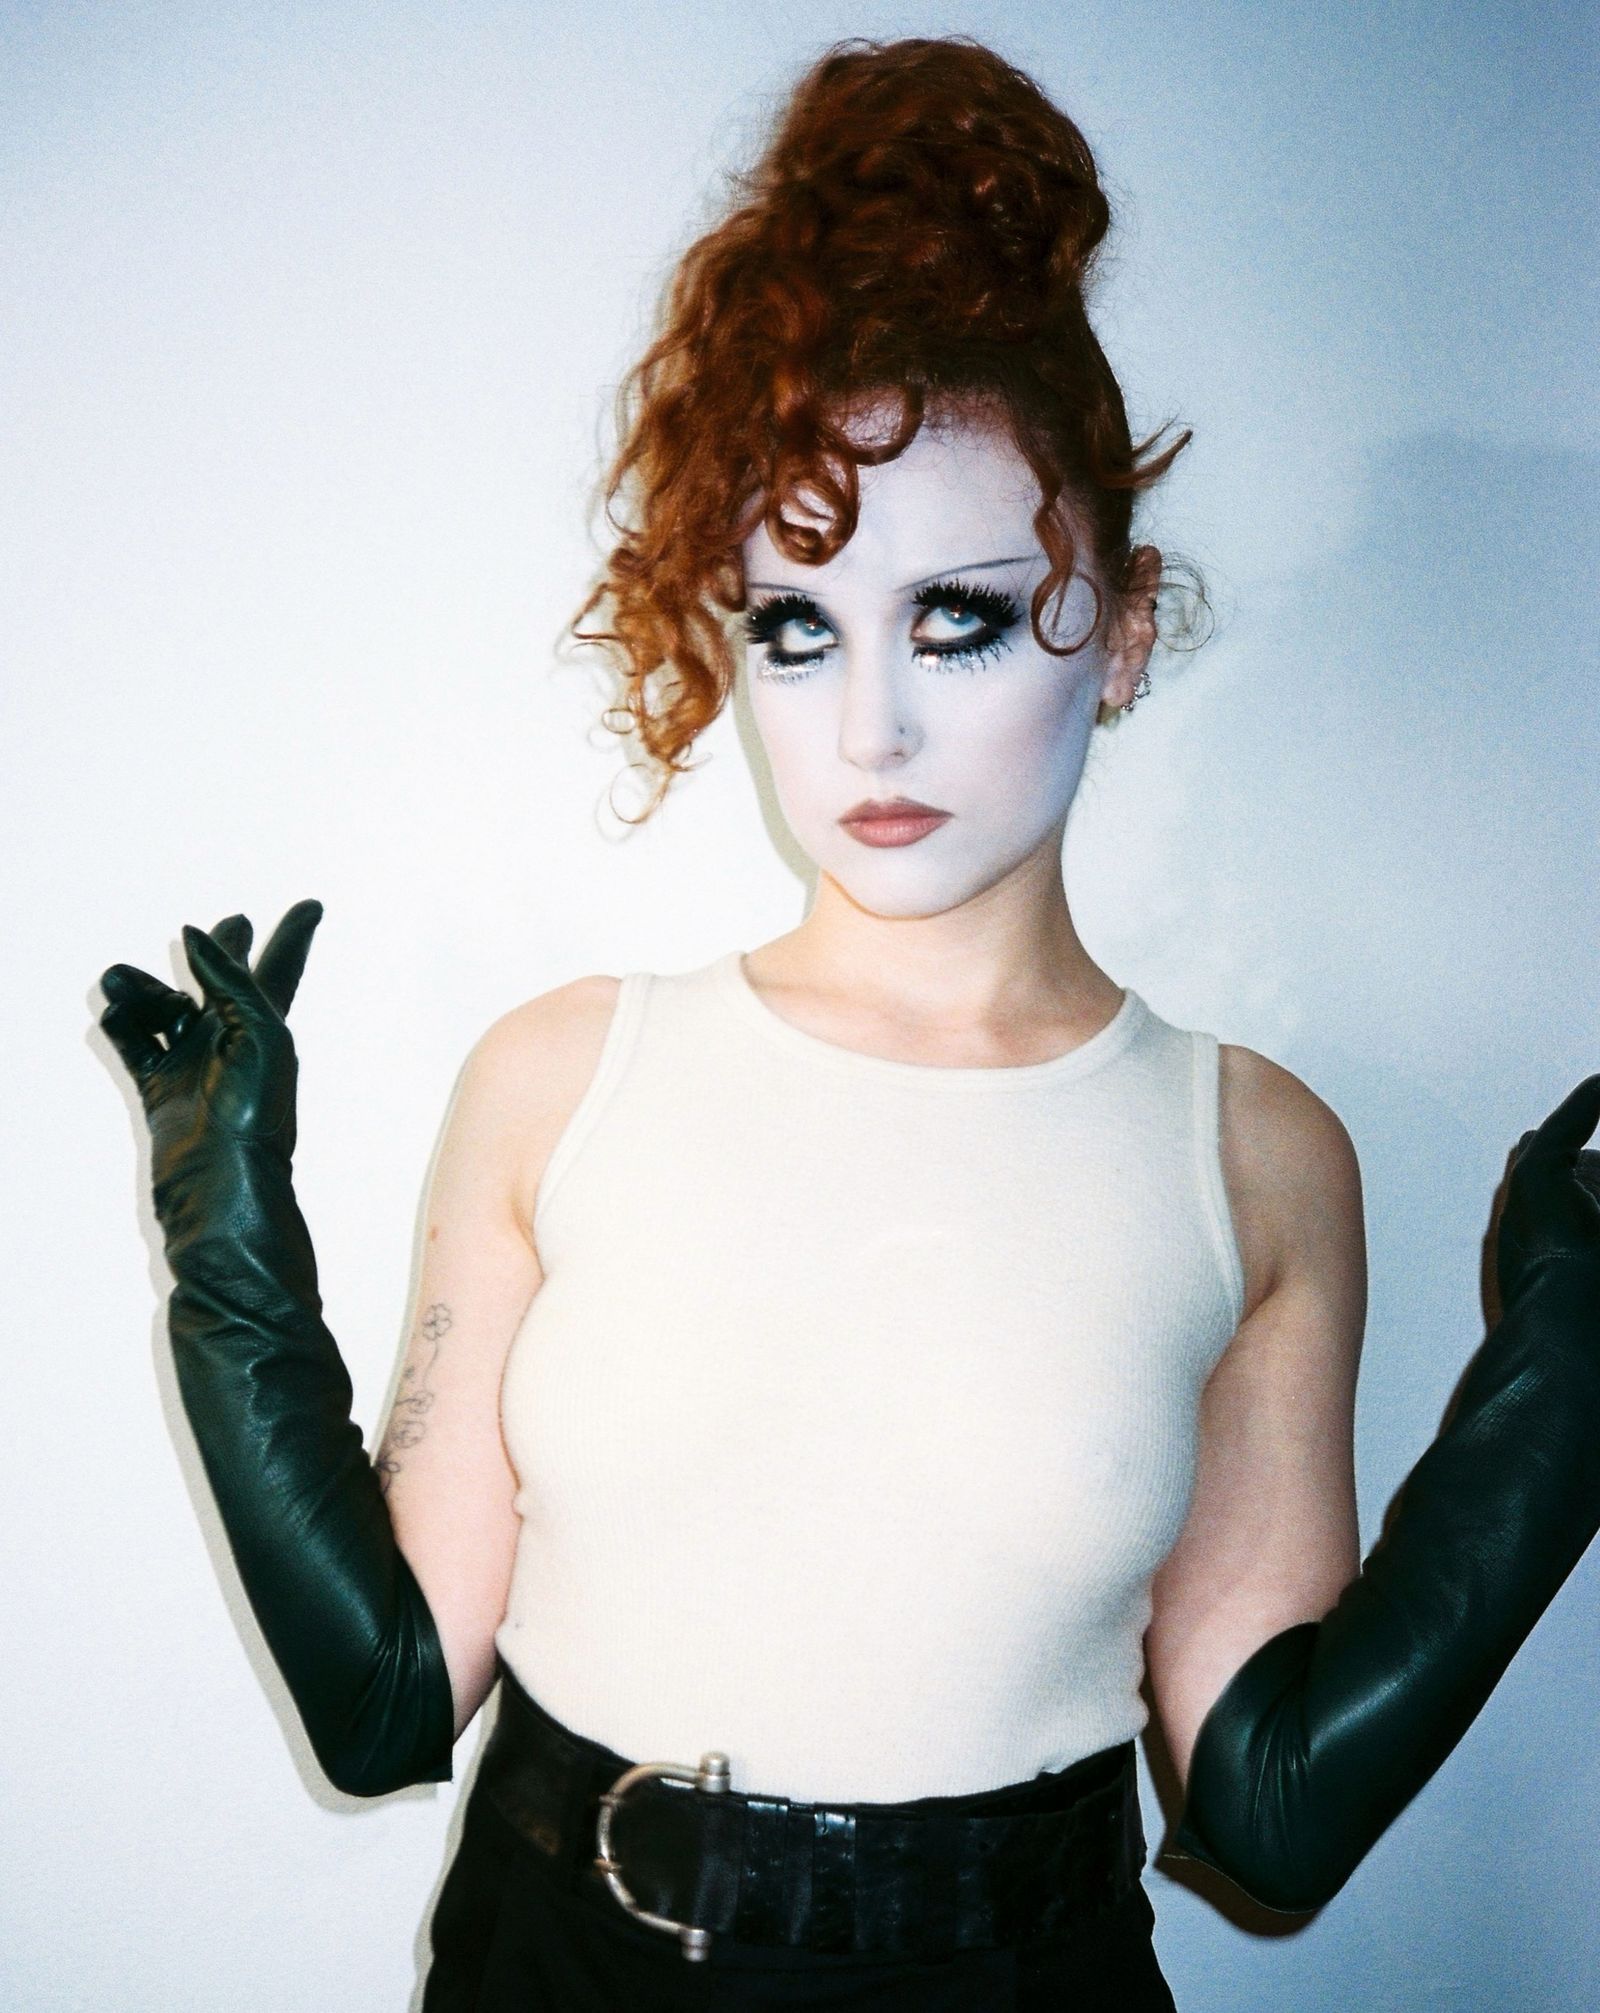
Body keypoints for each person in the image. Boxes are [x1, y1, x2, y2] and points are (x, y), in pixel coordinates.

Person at [96, 34, 1600, 2013]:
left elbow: (1270, 1809)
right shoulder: (561, 1077)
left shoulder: (1249, 1151)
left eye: (957, 619)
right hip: (563, 1967)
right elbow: (385, 1704)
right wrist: (223, 1241)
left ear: (1124, 626)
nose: (867, 728)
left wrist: (1569, 1367)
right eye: (796, 628)